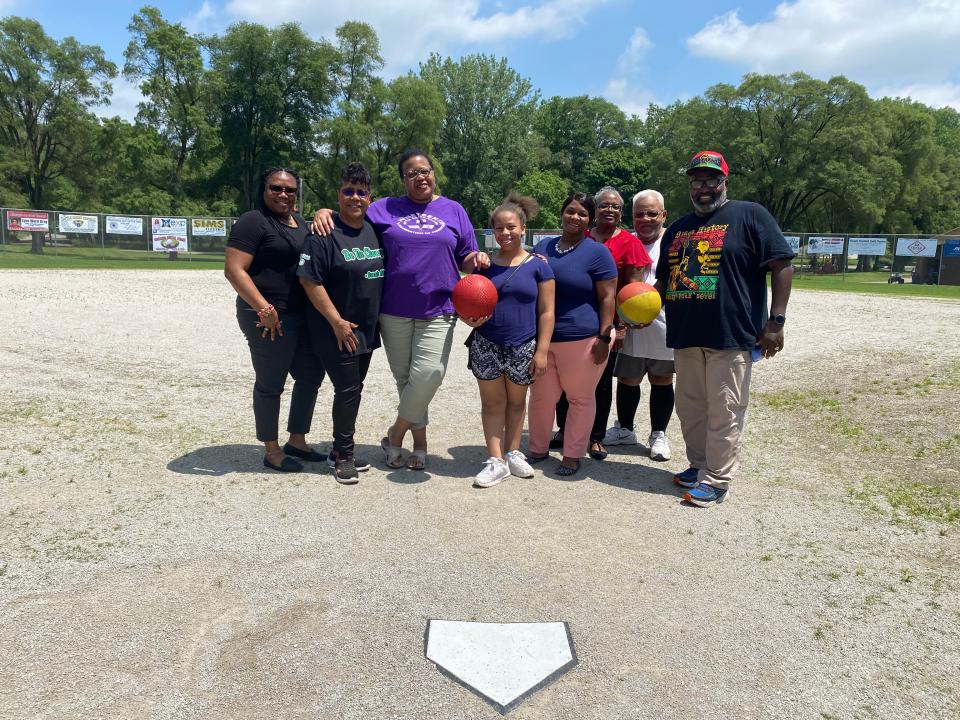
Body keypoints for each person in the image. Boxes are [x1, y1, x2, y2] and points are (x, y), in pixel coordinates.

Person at [312, 150, 489, 471]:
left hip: (439, 306)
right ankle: (418, 443)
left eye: (425, 171)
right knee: (405, 378)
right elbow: (353, 211)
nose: (420, 177)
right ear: (403, 179)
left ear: (434, 174)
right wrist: (324, 210)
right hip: (393, 308)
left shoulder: (454, 210)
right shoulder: (384, 208)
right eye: (412, 173)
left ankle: (395, 433)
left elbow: (464, 255)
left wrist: (475, 259)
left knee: (430, 374)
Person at [657, 150, 794, 506]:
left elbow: (781, 264)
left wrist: (776, 321)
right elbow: (663, 282)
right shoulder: (678, 228)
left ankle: (717, 479)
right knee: (690, 407)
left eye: (710, 180)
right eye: (695, 181)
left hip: (729, 334)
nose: (702, 188)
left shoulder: (750, 215)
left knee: (725, 407)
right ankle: (700, 464)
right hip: (686, 334)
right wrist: (635, 309)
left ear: (724, 181)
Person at [225, 166, 326, 472]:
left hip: (300, 314)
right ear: (264, 190)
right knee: (271, 384)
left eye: (290, 190)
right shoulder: (252, 222)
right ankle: (271, 450)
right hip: (267, 317)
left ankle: (297, 440)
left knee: (310, 375)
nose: (283, 194)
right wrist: (263, 309)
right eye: (276, 188)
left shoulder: (299, 222)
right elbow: (234, 270)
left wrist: (324, 209)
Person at [460, 194, 555, 488]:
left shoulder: (539, 265)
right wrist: (467, 319)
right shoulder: (484, 265)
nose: (505, 233)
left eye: (511, 227)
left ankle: (514, 453)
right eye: (499, 228)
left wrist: (541, 352)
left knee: (516, 403)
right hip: (487, 343)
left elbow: (547, 312)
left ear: (523, 227)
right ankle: (495, 460)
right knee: (492, 404)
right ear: (492, 232)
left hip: (524, 344)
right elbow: (464, 300)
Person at [550, 186, 651, 460]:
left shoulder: (630, 243)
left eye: (616, 206)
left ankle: (596, 437)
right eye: (604, 205)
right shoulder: (578, 237)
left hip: (606, 326)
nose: (610, 209)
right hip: (573, 325)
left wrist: (622, 327)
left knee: (601, 382)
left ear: (621, 213)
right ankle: (564, 429)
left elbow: (635, 290)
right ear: (594, 212)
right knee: (564, 382)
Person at [298, 162, 383, 483]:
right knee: (348, 390)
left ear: (369, 197)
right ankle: (343, 455)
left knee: (354, 389)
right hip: (335, 329)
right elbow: (310, 281)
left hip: (366, 328)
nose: (355, 197)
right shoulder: (323, 234)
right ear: (339, 194)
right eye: (349, 191)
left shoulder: (375, 228)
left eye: (361, 192)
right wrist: (336, 321)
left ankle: (338, 448)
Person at [526, 192, 618, 476]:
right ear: (562, 213)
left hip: (584, 338)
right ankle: (538, 448)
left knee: (579, 398)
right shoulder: (544, 246)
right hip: (544, 338)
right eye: (570, 211)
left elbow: (607, 298)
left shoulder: (597, 252)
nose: (574, 217)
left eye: (581, 213)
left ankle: (572, 454)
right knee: (541, 396)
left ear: (589, 220)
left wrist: (604, 337)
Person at [603, 189, 675, 462]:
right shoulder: (625, 241)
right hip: (629, 324)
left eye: (652, 213)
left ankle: (658, 433)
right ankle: (625, 428)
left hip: (663, 324)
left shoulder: (673, 242)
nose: (645, 219)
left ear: (663, 215)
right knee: (628, 378)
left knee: (661, 379)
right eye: (639, 214)